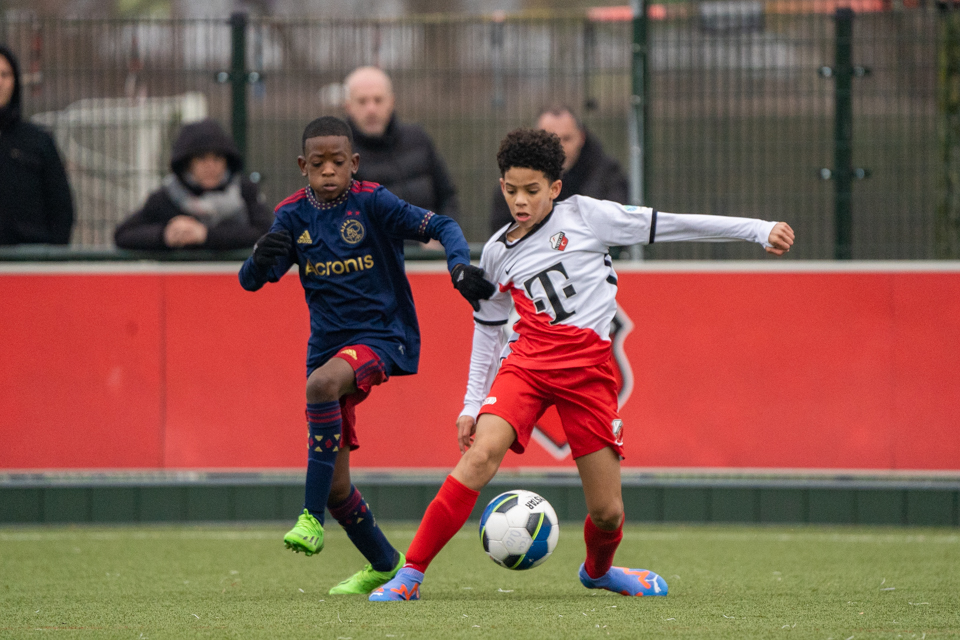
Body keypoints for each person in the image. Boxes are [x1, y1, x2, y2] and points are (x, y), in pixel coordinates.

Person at [370, 128, 795, 601]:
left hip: (588, 376)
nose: (520, 201)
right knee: (479, 457)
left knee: (608, 512)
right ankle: (410, 575)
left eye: (532, 191)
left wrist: (758, 230)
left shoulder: (590, 216)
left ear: (555, 187)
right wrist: (472, 403)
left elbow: (674, 223)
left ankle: (597, 571)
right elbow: (488, 329)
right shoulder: (495, 252)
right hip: (526, 366)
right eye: (511, 190)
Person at [238, 116, 494, 595]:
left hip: (382, 337)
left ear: (354, 163)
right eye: (319, 164)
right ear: (302, 166)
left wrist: (458, 265)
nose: (329, 171)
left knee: (319, 386)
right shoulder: (292, 216)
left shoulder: (373, 202)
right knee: (338, 489)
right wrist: (259, 256)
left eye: (339, 162)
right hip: (328, 351)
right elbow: (251, 281)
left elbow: (441, 223)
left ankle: (308, 520)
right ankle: (386, 565)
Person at [343, 66, 460, 249]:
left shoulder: (419, 139)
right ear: (348, 106)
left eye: (378, 100)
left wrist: (442, 233)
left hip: (429, 262)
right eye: (362, 101)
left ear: (391, 101)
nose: (371, 109)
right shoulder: (338, 155)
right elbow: (345, 222)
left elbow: (447, 196)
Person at [114, 118, 272, 250]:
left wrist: (205, 235)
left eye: (217, 158)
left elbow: (266, 233)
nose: (211, 167)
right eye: (201, 159)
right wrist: (165, 235)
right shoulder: (166, 197)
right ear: (187, 163)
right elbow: (123, 234)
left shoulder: (244, 191)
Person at [488, 105, 628, 236]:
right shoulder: (513, 180)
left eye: (566, 139)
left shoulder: (607, 174)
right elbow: (503, 231)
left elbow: (617, 224)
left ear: (581, 137)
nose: (559, 148)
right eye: (550, 139)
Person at [0, 44, 75, 246]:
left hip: (30, 264)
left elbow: (61, 208)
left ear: (15, 82)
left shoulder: (38, 141)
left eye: (5, 74)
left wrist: (51, 260)